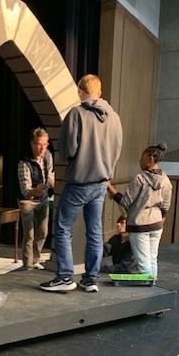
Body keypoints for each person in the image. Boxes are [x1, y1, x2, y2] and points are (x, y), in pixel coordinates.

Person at [40, 74, 123, 293]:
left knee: (62, 227)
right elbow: (117, 150)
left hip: (79, 182)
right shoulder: (114, 117)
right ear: (100, 93)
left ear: (80, 91)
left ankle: (65, 277)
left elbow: (68, 151)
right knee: (94, 231)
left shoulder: (76, 114)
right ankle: (90, 279)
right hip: (101, 183)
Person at [106, 142, 172, 280]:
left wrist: (109, 187)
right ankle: (153, 288)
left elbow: (125, 202)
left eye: (142, 157)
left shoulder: (140, 179)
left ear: (150, 159)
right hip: (157, 223)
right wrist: (161, 219)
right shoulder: (166, 180)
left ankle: (147, 290)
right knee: (152, 259)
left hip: (139, 225)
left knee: (143, 263)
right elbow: (166, 205)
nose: (139, 161)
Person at [17, 127, 55, 270]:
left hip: (43, 198)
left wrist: (53, 182)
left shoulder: (48, 156)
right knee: (29, 234)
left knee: (43, 232)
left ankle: (35, 260)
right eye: (39, 145)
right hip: (27, 200)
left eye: (45, 144)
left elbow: (50, 174)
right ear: (32, 144)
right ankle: (27, 265)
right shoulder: (24, 163)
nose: (42, 148)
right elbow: (26, 191)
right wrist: (37, 189)